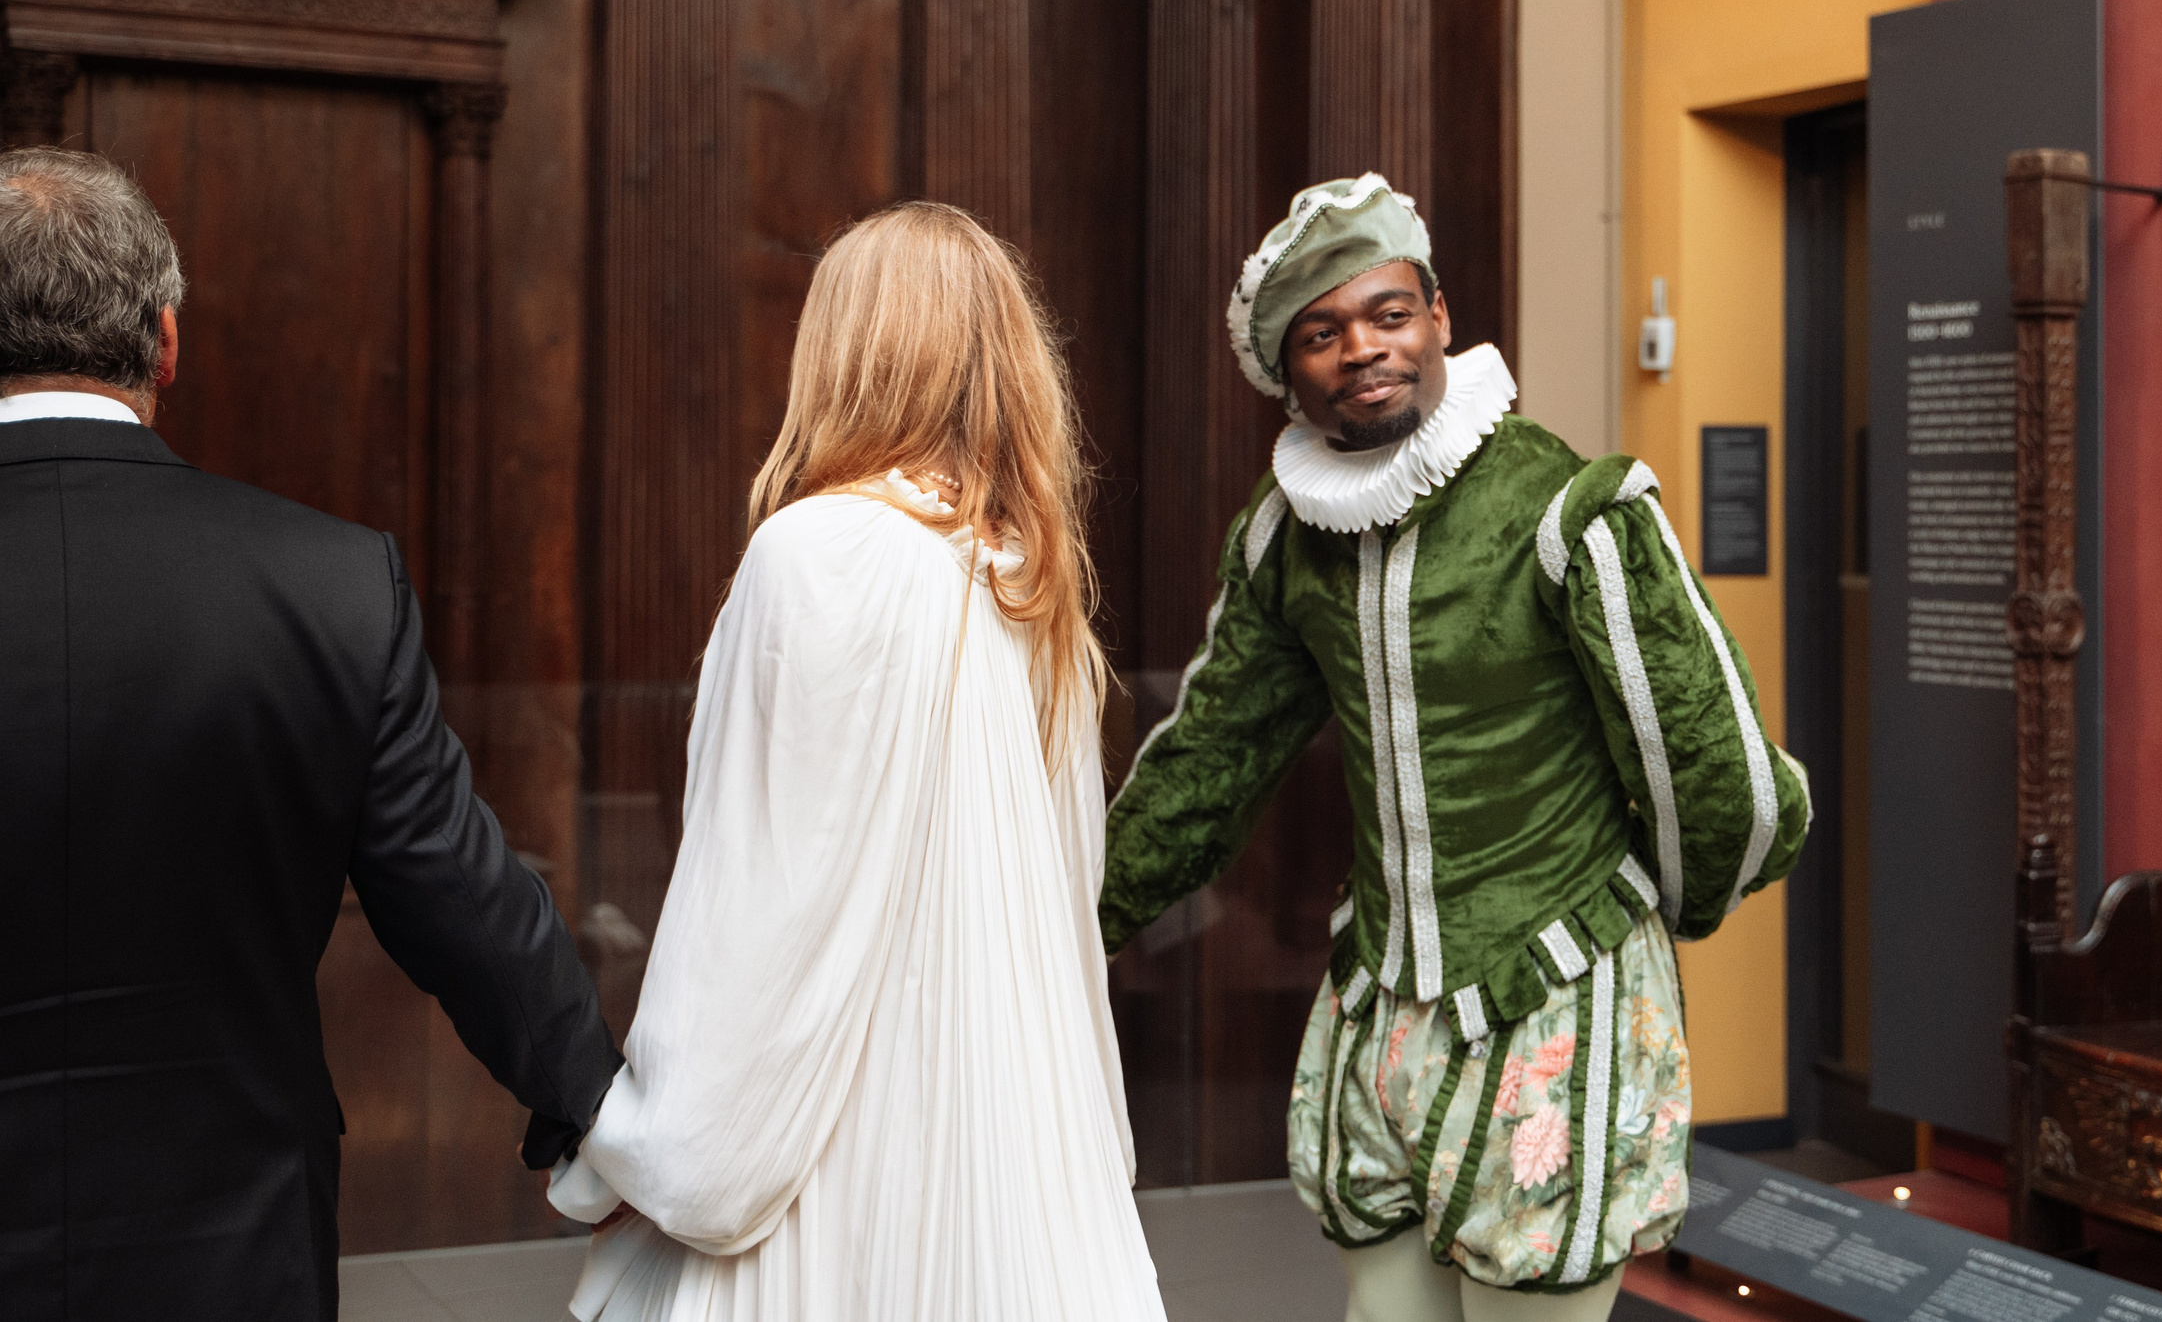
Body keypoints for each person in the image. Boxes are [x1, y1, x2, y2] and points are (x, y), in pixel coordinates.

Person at [1100, 175, 1811, 1321]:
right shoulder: (1288, 539)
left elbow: (1708, 760)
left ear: (1439, 316)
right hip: (1382, 998)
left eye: (1387, 315)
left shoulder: (1567, 507)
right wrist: (1080, 916)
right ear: (1287, 375)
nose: (1362, 351)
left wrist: (1641, 915)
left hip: (1556, 993)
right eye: (1321, 335)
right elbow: (1208, 760)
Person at [0, 146, 621, 1322]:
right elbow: (462, 903)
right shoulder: (331, 584)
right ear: (166, 342)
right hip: (233, 1240)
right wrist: (602, 1114)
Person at [545, 202, 1165, 1322]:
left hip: (837, 1155)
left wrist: (655, 1148)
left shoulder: (815, 552)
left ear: (846, 352)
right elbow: (1068, 912)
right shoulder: (1033, 583)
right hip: (1014, 1137)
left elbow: (759, 905)